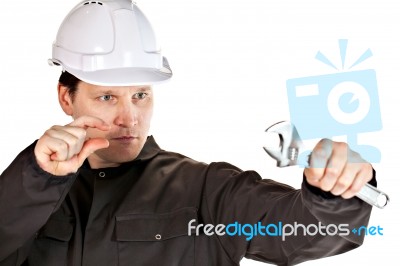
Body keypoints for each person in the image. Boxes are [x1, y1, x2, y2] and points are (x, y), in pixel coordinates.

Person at [0, 0, 376, 265]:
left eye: (141, 95)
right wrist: (37, 178)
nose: (128, 118)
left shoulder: (205, 189)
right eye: (107, 96)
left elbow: (302, 235)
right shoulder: (25, 193)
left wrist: (334, 193)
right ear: (67, 97)